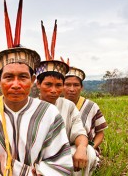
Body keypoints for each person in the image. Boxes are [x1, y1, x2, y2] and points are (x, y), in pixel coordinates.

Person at [0, 0, 73, 176]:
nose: (16, 84)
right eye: (9, 77)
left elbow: (59, 163)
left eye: (23, 77)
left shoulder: (49, 113)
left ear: (33, 81)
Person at [35, 20, 96, 176]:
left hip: (63, 155)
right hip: (36, 159)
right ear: (38, 84)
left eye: (58, 85)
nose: (54, 90)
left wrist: (82, 148)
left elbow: (80, 132)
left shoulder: (68, 106)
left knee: (88, 152)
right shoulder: (30, 105)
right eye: (48, 84)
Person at [64, 66, 108, 169]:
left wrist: (90, 148)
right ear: (62, 86)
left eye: (76, 85)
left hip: (85, 148)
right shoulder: (57, 105)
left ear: (81, 87)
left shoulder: (91, 106)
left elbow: (100, 133)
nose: (72, 89)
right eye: (67, 85)